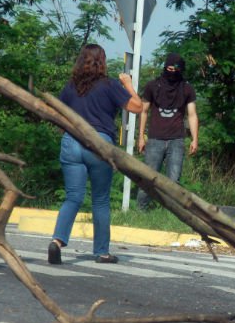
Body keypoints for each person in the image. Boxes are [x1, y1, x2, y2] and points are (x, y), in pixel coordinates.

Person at [48, 44, 143, 265]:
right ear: (102, 61)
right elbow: (137, 107)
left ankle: (57, 241)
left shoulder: (70, 87)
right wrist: (128, 85)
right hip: (99, 144)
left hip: (71, 141)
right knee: (100, 200)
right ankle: (101, 252)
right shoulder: (109, 85)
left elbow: (57, 115)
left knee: (73, 197)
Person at [136, 53, 199, 210]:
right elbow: (143, 111)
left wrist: (195, 139)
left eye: (175, 69)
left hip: (177, 139)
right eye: (169, 68)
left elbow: (192, 114)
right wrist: (141, 137)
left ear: (181, 70)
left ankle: (173, 213)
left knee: (174, 181)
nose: (171, 72)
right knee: (148, 178)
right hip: (155, 138)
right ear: (164, 68)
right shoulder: (152, 86)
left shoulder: (187, 88)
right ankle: (140, 211)